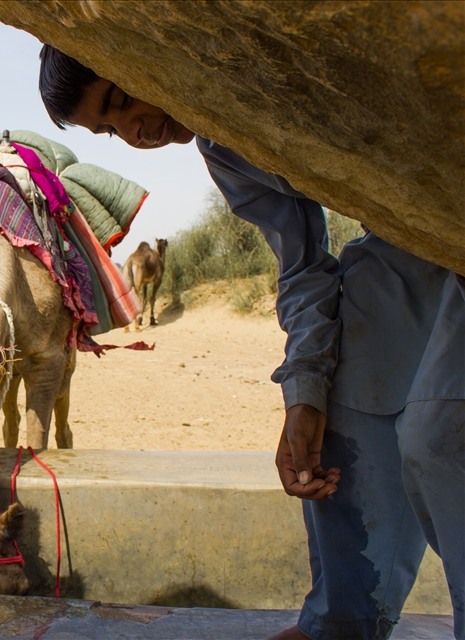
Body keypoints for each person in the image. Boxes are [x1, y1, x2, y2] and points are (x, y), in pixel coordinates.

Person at [36, 45, 464, 640]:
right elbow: (304, 268)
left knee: (439, 435)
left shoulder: (268, 73)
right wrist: (305, 392)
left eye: (120, 99)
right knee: (340, 406)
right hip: (405, 252)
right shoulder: (225, 152)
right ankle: (340, 623)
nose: (133, 130)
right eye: (110, 129)